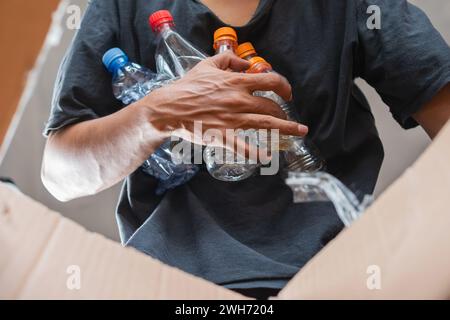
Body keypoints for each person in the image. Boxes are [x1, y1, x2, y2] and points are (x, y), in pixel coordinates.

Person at [41, 0, 450, 299]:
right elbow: (60, 174)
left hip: (334, 281)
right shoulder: (120, 6)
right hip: (170, 287)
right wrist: (157, 113)